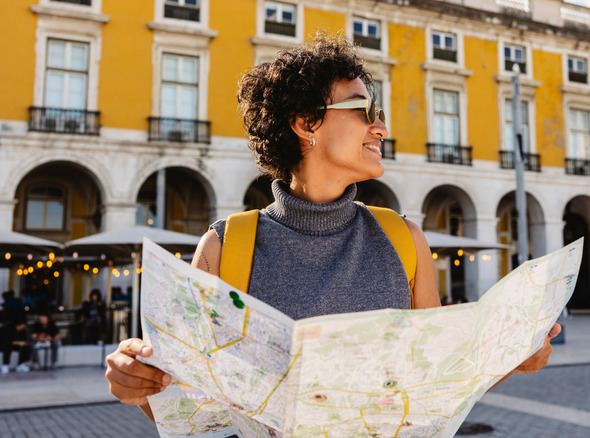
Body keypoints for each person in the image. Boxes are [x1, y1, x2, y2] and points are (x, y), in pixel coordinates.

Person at [105, 33, 561, 422]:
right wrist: (140, 385)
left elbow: (437, 379)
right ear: (307, 123)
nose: (380, 128)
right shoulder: (226, 246)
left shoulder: (404, 238)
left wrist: (511, 359)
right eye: (365, 110)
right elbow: (187, 406)